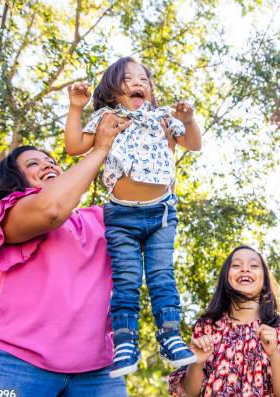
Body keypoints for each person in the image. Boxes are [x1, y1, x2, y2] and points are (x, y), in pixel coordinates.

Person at [0, 114, 131, 397]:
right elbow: (51, 209)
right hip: (5, 364)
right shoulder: (9, 212)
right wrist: (100, 148)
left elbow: (150, 208)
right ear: (14, 180)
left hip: (97, 375)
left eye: (50, 160)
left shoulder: (98, 219)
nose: (47, 164)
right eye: (33, 164)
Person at [64, 56, 202, 377]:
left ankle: (170, 334)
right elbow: (73, 146)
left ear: (151, 90)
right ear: (113, 89)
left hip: (161, 213)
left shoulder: (163, 116)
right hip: (120, 216)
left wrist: (189, 119)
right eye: (128, 79)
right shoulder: (106, 117)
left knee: (161, 276)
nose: (138, 83)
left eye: (143, 79)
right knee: (125, 280)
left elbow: (192, 145)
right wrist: (75, 108)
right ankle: (125, 341)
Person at [168, 246, 280, 397]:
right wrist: (197, 362)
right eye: (236, 265)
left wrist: (274, 354)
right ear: (225, 279)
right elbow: (191, 393)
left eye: (254, 266)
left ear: (265, 282)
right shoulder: (206, 327)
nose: (245, 269)